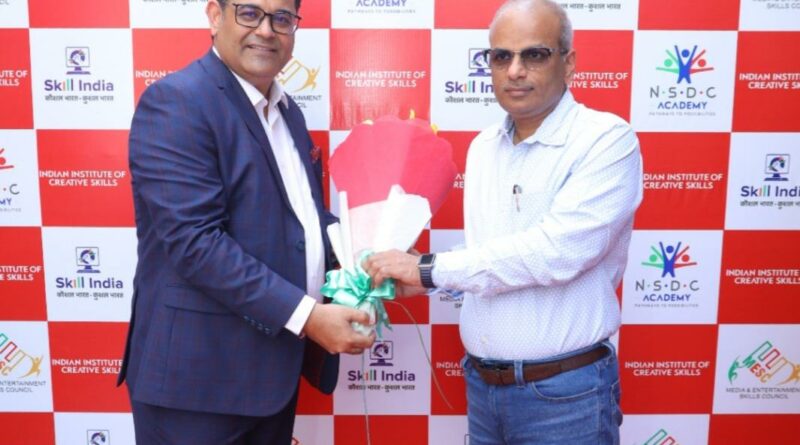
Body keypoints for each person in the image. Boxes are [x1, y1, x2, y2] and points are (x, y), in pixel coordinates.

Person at [364, 0, 643, 443]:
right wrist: (425, 278)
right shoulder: (484, 147)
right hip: (482, 387)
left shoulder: (606, 139)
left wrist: (431, 269)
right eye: (501, 56)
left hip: (565, 395)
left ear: (568, 63)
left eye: (535, 54)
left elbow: (555, 253)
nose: (515, 70)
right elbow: (494, 251)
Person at [118, 1, 375, 443]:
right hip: (195, 387)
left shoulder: (287, 112)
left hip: (271, 377)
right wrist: (308, 317)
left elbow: (301, 222)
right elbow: (195, 243)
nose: (267, 30)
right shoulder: (178, 101)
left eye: (282, 18)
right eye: (250, 13)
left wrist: (367, 255)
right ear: (215, 16)